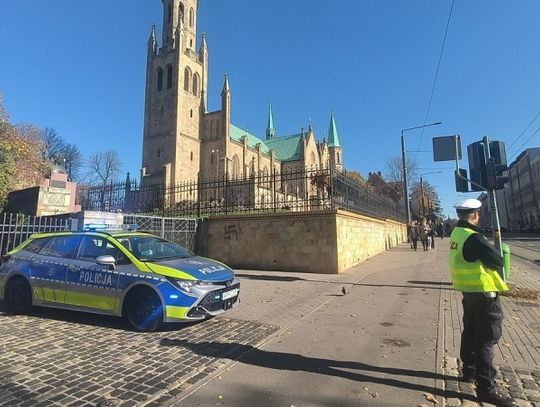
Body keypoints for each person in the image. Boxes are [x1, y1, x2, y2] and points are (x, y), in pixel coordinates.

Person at [449, 198, 515, 407]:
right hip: (484, 293)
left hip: (469, 292)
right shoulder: (474, 238)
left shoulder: (457, 233)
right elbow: (497, 261)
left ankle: (468, 371)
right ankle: (486, 388)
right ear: (476, 215)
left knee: (470, 331)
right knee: (486, 338)